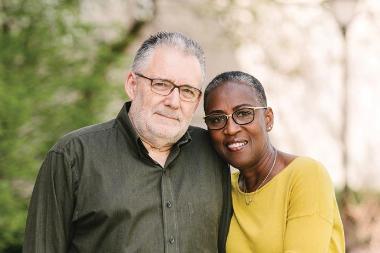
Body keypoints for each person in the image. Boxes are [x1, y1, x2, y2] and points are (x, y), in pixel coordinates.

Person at [23, 32, 232, 253]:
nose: (173, 101)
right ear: (132, 84)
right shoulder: (72, 156)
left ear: (197, 100)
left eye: (187, 91)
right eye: (161, 84)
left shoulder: (214, 153)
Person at [203, 71, 345, 253]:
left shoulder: (306, 175)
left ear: (268, 119)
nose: (230, 129)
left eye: (244, 113)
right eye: (217, 119)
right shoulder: (227, 189)